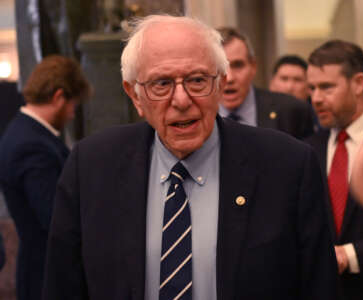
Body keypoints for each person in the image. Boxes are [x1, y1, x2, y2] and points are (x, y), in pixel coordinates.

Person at [43, 15, 338, 300]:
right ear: (134, 95)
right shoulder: (91, 168)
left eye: (197, 80)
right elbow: (63, 287)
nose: (182, 100)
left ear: (221, 84)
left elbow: (318, 287)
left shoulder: (288, 167)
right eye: (161, 84)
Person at [306, 40, 363, 300]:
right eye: (312, 88)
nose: (316, 98)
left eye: (326, 87)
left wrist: (351, 255)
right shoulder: (305, 151)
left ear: (359, 83)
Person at [0, 55, 91, 300]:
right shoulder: (31, 145)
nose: (72, 114)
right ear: (59, 96)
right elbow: (55, 218)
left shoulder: (26, 133)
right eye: (73, 104)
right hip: (47, 278)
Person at [216, 27, 314, 139]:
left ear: (253, 67)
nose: (229, 78)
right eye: (219, 67)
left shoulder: (293, 111)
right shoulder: (196, 116)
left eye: (238, 65)